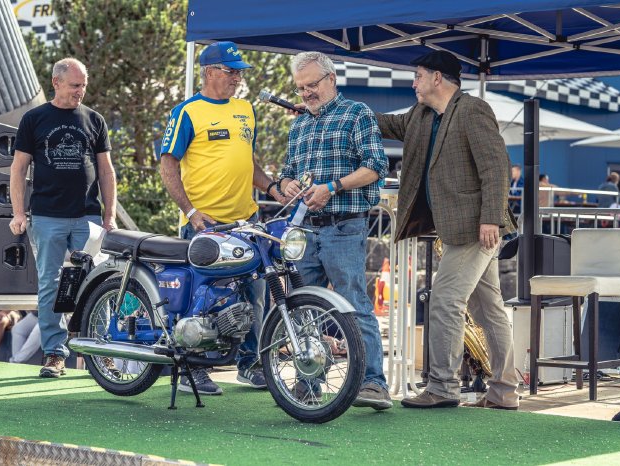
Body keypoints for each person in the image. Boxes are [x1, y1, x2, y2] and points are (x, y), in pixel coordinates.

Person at [375, 50, 519, 410]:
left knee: (444, 300)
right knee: (489, 310)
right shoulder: (423, 115)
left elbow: (496, 168)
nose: (414, 82)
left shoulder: (472, 110)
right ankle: (504, 390)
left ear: (437, 78)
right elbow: (388, 124)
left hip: (476, 228)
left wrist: (490, 218)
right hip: (459, 229)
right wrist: (343, 109)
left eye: (418, 75)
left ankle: (442, 386)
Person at [159, 42, 284, 395]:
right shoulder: (187, 112)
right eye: (231, 71)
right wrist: (191, 212)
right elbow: (168, 165)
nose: (237, 78)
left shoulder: (245, 110)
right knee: (201, 299)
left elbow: (248, 162)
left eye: (240, 72)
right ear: (210, 71)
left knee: (256, 295)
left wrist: (272, 186)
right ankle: (191, 369)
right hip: (204, 224)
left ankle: (251, 364)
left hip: (246, 221)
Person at [278, 51, 392, 410]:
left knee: (355, 305)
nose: (306, 93)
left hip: (344, 227)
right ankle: (309, 384)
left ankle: (373, 384)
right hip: (304, 231)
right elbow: (286, 172)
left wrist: (332, 187)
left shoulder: (357, 114)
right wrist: (288, 186)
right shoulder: (299, 125)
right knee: (302, 307)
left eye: (312, 85)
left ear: (331, 79)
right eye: (300, 88)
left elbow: (376, 166)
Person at [10, 57, 117, 378]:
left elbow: (106, 170)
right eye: (74, 85)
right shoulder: (34, 119)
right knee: (49, 286)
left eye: (83, 85)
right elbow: (18, 169)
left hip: (88, 217)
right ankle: (55, 355)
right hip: (46, 216)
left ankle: (101, 351)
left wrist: (110, 214)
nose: (80, 91)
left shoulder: (94, 120)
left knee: (98, 283)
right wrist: (18, 213)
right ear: (55, 83)